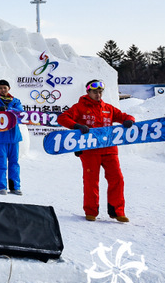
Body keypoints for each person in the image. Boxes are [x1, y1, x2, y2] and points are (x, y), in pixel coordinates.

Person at [58, 80, 135, 223]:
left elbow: (126, 116)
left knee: (117, 179)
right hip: (89, 151)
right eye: (95, 92)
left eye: (100, 92)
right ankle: (91, 211)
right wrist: (76, 125)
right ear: (88, 92)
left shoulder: (108, 108)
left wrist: (129, 120)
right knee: (91, 182)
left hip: (110, 150)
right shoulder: (79, 107)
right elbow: (62, 118)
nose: (98, 94)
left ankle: (117, 211)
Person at [0, 80, 25, 195]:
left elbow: (20, 113)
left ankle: (15, 186)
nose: (3, 90)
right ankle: (1, 186)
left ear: (9, 88)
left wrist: (8, 111)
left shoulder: (16, 101)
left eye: (5, 87)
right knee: (1, 162)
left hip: (14, 136)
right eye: (0, 88)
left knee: (14, 162)